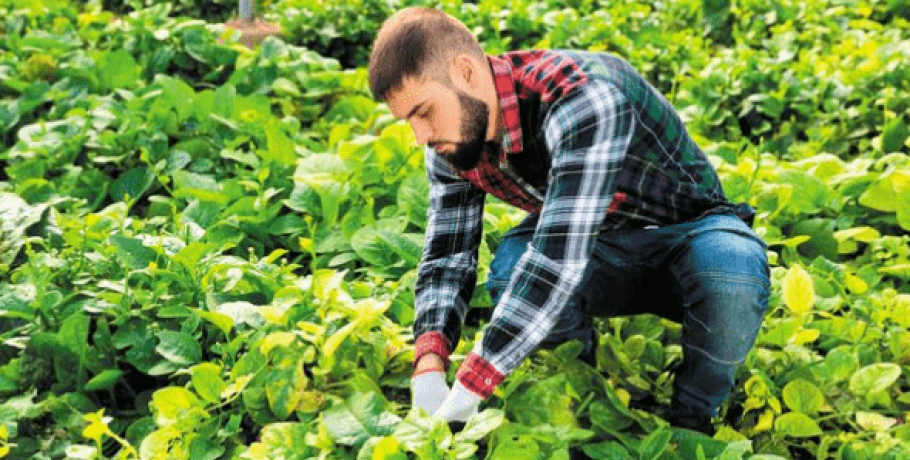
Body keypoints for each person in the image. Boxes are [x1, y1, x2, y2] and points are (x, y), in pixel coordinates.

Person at [367, 7, 770, 435]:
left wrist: (472, 386)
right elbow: (448, 257)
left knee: (731, 273)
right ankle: (586, 395)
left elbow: (556, 261)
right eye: (408, 120)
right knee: (510, 273)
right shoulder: (454, 142)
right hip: (598, 243)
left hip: (689, 232)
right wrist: (429, 363)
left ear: (465, 72)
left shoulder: (581, 95)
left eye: (425, 112)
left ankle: (693, 419)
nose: (421, 137)